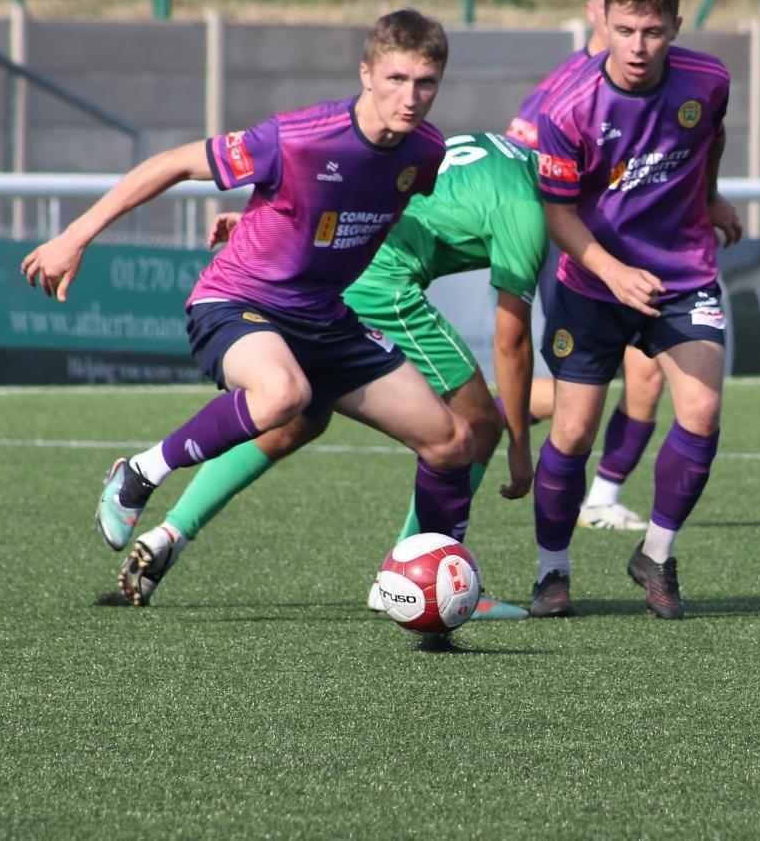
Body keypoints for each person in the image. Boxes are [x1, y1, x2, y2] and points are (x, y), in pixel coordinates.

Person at [20, 9, 478, 607]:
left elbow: (358, 212)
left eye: (425, 83)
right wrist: (74, 236)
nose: (410, 97)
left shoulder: (426, 151)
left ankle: (432, 590)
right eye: (396, 79)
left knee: (451, 441)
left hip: (324, 317)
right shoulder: (299, 136)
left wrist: (268, 219)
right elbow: (175, 163)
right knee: (282, 396)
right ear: (365, 73)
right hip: (236, 302)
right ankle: (139, 473)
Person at [114, 131, 548, 617]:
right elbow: (511, 343)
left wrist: (278, 230)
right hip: (380, 285)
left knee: (298, 419)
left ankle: (172, 532)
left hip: (328, 272)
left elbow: (369, 195)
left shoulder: (493, 147)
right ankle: (411, 579)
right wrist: (520, 447)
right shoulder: (529, 208)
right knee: (477, 423)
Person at [529, 0, 743, 620]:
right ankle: (552, 571)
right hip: (593, 286)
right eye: (625, 30)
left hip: (682, 276)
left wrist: (710, 199)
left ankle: (655, 553)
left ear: (675, 25)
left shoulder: (708, 80)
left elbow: (712, 137)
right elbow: (557, 211)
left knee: (701, 413)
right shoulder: (568, 104)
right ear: (603, 22)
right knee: (571, 433)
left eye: (652, 30)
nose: (638, 46)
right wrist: (613, 272)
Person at [507, 0, 666, 534]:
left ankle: (601, 497)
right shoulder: (566, 89)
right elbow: (519, 163)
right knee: (582, 398)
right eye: (613, 8)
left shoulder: (668, 81)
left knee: (648, 376)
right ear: (597, 12)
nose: (631, 27)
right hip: (572, 254)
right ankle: (499, 406)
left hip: (643, 258)